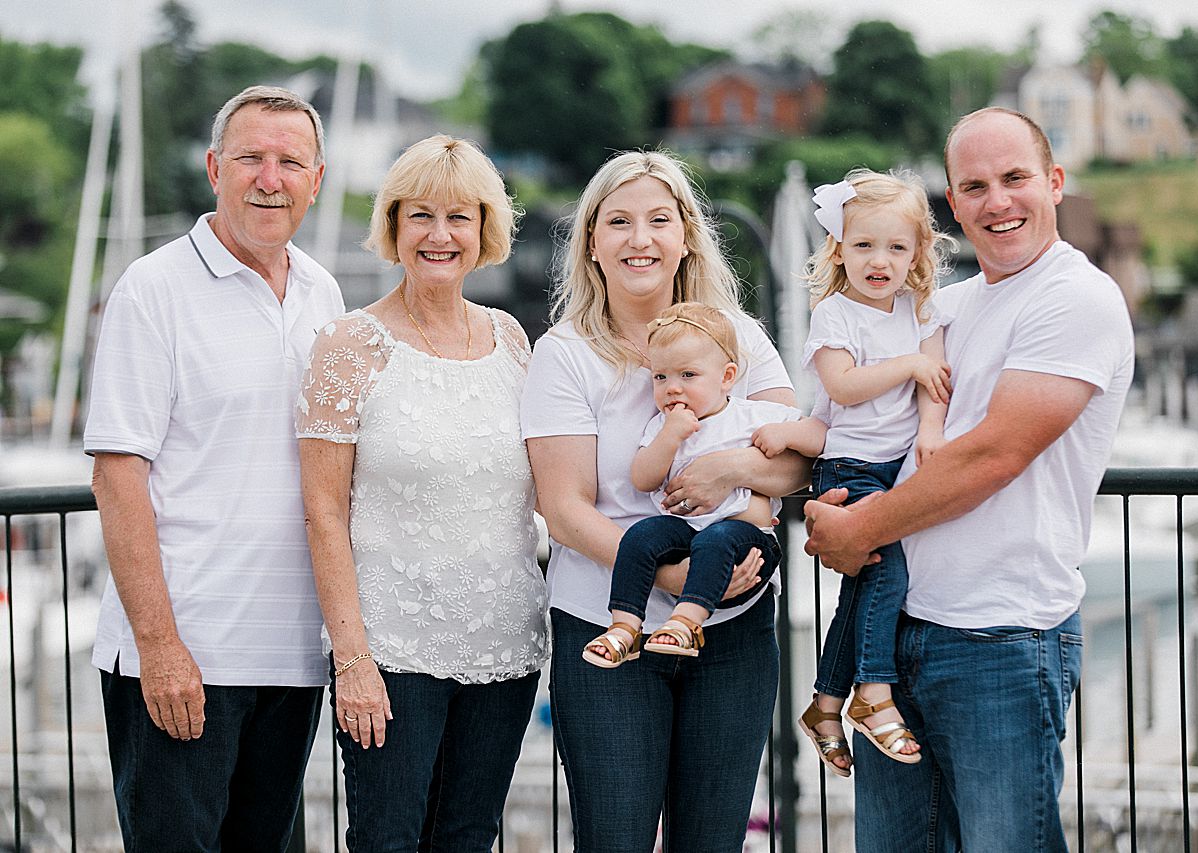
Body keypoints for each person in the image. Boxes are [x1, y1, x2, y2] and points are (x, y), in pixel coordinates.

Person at [804, 107, 1135, 851]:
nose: (998, 201)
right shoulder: (942, 308)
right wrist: (746, 468)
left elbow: (994, 455)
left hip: (1002, 638)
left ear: (1054, 182)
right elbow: (842, 414)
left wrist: (860, 527)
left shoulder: (1074, 297)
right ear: (954, 204)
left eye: (1016, 178)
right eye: (975, 186)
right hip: (896, 636)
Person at [521, 150, 810, 852]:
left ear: (687, 235)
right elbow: (565, 509)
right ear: (593, 242)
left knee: (712, 841)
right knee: (616, 836)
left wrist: (728, 470)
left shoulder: (738, 338)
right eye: (618, 221)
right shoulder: (565, 355)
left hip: (735, 635)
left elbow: (798, 460)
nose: (640, 239)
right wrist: (684, 580)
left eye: (658, 219)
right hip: (607, 629)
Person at [84, 85, 342, 852]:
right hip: (184, 657)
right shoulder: (152, 290)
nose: (270, 177)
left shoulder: (323, 294)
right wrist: (159, 646)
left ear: (316, 178)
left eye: (289, 161)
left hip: (291, 656)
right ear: (213, 168)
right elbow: (117, 475)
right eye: (250, 158)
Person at [296, 134, 546, 851]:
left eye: (459, 217)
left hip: (504, 646)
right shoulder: (349, 345)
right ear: (394, 226)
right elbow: (323, 511)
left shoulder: (511, 341)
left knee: (468, 836)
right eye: (422, 217)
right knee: (387, 838)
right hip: (391, 651)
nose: (440, 236)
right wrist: (353, 661)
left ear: (484, 230)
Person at [772, 169, 953, 776]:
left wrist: (930, 430)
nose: (880, 260)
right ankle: (871, 693)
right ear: (839, 249)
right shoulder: (835, 316)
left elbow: (935, 381)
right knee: (888, 572)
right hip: (849, 466)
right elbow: (844, 388)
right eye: (864, 245)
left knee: (864, 585)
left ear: (917, 254)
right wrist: (905, 365)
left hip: (897, 467)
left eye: (897, 248)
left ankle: (825, 703)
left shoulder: (919, 311)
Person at [583, 301, 819, 667]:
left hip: (745, 537)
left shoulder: (752, 415)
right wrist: (669, 438)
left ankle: (687, 623)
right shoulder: (662, 426)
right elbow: (643, 478)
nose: (672, 388)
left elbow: (820, 437)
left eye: (688, 375)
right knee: (640, 536)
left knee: (716, 539)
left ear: (726, 377)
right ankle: (625, 627)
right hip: (684, 529)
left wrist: (786, 433)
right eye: (661, 378)